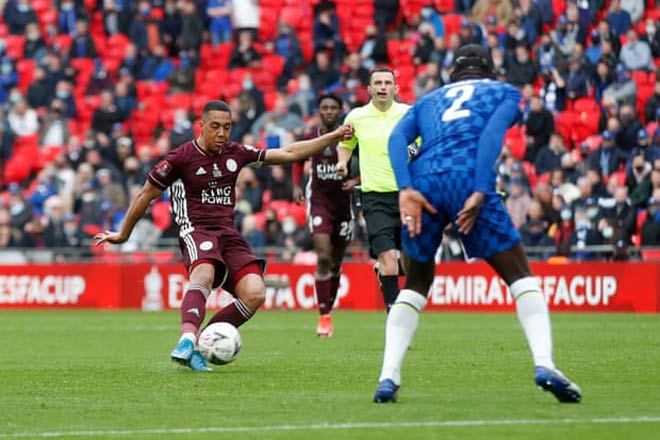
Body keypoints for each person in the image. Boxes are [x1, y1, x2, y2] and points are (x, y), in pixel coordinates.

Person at [374, 44, 581, 404]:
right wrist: (481, 187)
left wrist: (405, 188)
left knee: (415, 284)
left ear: (453, 75)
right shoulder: (503, 92)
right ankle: (545, 364)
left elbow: (395, 139)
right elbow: (490, 137)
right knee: (521, 277)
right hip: (467, 175)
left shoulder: (428, 100)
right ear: (488, 72)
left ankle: (388, 377)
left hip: (423, 180)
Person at [94, 100, 353, 372]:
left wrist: (333, 136)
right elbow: (145, 195)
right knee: (203, 273)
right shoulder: (180, 158)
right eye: (215, 127)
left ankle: (197, 344)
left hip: (228, 233)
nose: (221, 133)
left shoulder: (235, 153)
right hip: (195, 229)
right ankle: (186, 339)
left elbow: (287, 153)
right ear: (201, 126)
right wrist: (123, 234)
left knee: (255, 293)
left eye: (227, 128)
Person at [336, 66, 411, 312]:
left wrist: (414, 150)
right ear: (369, 89)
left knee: (411, 262)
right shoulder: (356, 117)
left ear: (396, 88)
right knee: (389, 260)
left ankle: (391, 280)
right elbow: (345, 144)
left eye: (387, 83)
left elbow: (423, 143)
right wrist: (342, 162)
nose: (382, 87)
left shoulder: (409, 114)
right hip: (374, 197)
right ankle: (396, 316)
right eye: (377, 83)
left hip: (407, 195)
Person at [292, 94, 357, 337]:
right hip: (319, 202)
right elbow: (297, 159)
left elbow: (367, 162)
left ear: (341, 111)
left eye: (333, 107)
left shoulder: (351, 138)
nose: (328, 112)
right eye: (324, 108)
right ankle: (324, 316)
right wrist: (296, 185)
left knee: (336, 262)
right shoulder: (311, 138)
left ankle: (328, 308)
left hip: (344, 204)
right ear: (319, 111)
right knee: (322, 257)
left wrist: (356, 181)